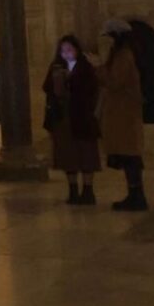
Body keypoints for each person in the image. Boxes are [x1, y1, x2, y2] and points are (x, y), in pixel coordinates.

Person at [43, 34, 101, 204]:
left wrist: (71, 80)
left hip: (83, 117)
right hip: (63, 118)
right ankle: (73, 190)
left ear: (77, 50)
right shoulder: (56, 66)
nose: (66, 53)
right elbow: (47, 88)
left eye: (69, 49)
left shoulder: (85, 67)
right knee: (68, 155)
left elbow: (91, 89)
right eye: (63, 50)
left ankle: (88, 191)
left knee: (86, 154)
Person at [100, 21, 148, 211]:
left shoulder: (124, 56)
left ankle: (137, 196)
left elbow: (114, 82)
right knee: (129, 156)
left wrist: (99, 68)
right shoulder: (122, 54)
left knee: (130, 157)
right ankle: (134, 194)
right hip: (122, 113)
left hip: (124, 114)